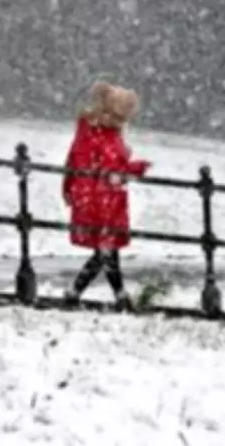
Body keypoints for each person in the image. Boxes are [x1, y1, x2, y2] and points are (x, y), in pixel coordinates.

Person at [61, 80, 152, 311]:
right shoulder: (106, 137)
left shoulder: (87, 133)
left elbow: (73, 162)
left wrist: (69, 188)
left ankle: (117, 296)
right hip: (103, 200)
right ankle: (81, 292)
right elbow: (113, 172)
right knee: (106, 250)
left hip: (89, 196)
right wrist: (137, 168)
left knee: (106, 250)